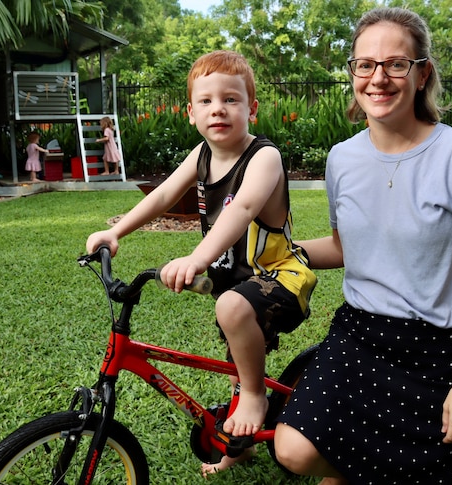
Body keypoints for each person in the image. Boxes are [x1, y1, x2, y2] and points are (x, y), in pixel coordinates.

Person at [273, 7, 452, 485]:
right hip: (359, 336)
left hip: (436, 348)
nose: (378, 78)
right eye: (365, 65)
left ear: (422, 73)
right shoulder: (342, 159)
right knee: (292, 451)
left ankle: (346, 471)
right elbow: (347, 247)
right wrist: (277, 253)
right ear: (353, 73)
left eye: (395, 64)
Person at [85, 50, 317, 477]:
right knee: (236, 360)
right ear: (190, 112)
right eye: (206, 101)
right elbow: (161, 196)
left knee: (232, 319)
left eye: (231, 99)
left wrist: (196, 257)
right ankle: (238, 445)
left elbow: (244, 207)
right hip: (235, 282)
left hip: (280, 277)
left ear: (252, 107)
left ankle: (256, 398)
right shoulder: (202, 155)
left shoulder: (264, 156)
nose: (219, 109)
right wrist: (116, 232)